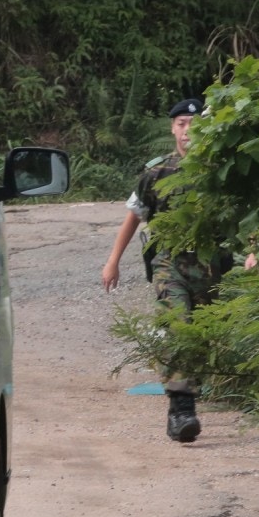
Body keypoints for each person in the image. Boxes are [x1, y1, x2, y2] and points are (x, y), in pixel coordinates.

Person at [101, 97, 218, 443]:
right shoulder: (157, 172)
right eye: (181, 124)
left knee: (204, 334)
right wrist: (113, 261)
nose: (187, 131)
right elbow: (134, 216)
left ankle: (201, 391)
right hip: (170, 264)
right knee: (178, 327)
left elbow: (247, 214)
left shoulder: (218, 170)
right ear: (172, 128)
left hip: (213, 265)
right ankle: (181, 411)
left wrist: (254, 250)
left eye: (194, 125)